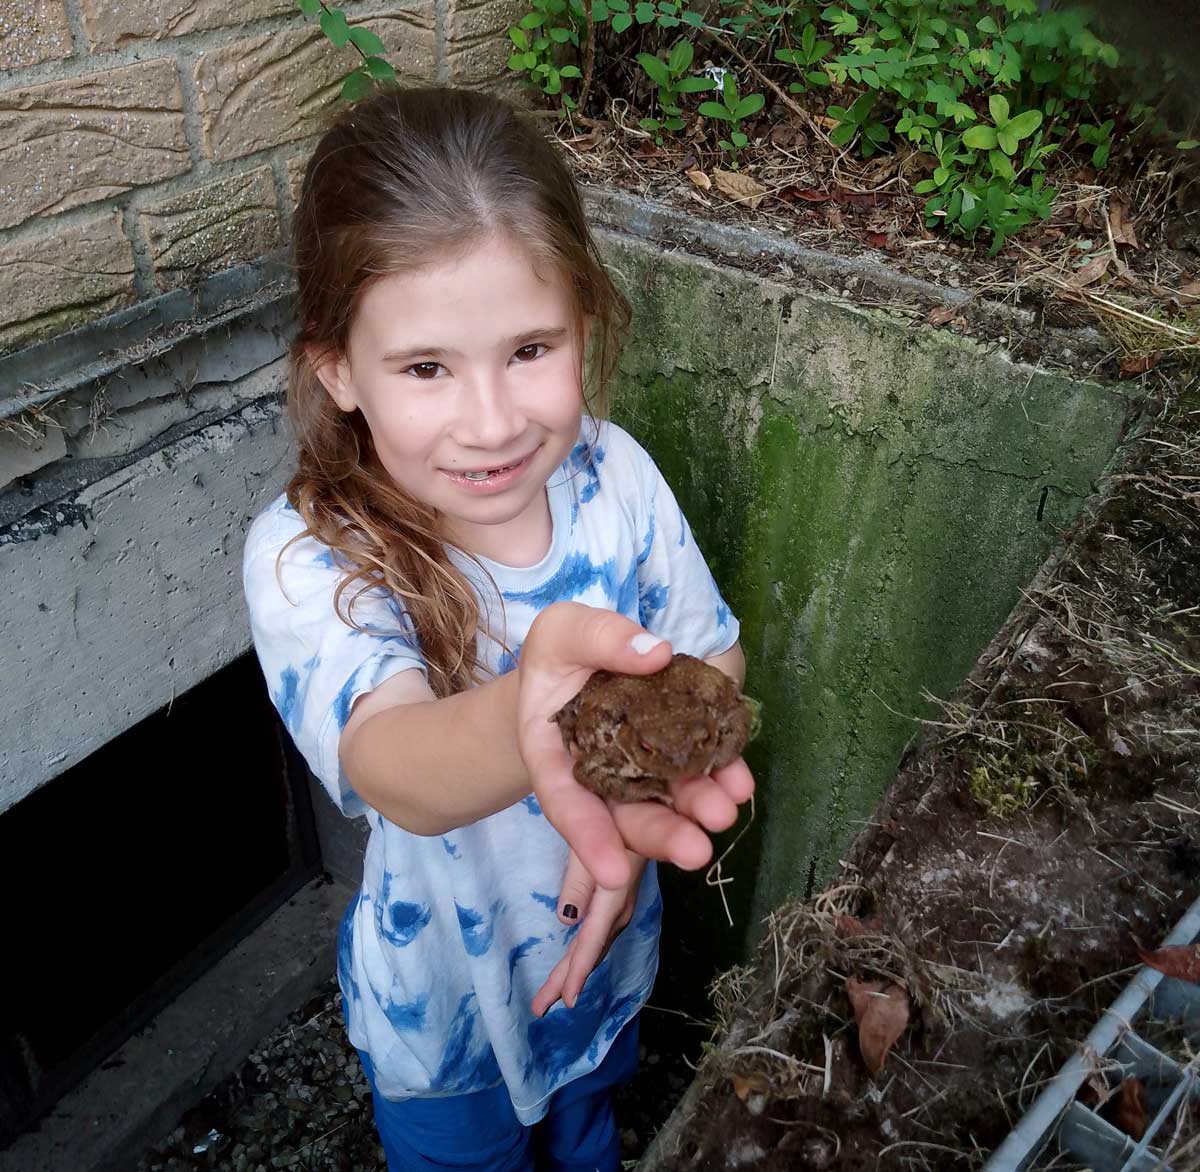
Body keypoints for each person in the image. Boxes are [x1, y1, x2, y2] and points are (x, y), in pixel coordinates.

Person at [241, 85, 754, 1172]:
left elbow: (710, 652)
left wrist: (633, 819)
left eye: (531, 348)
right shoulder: (313, 554)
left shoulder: (617, 476)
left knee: (589, 1129)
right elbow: (393, 762)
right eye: (427, 367)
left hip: (606, 950)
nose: (492, 420)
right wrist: (535, 717)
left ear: (586, 321)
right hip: (444, 1010)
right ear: (337, 368)